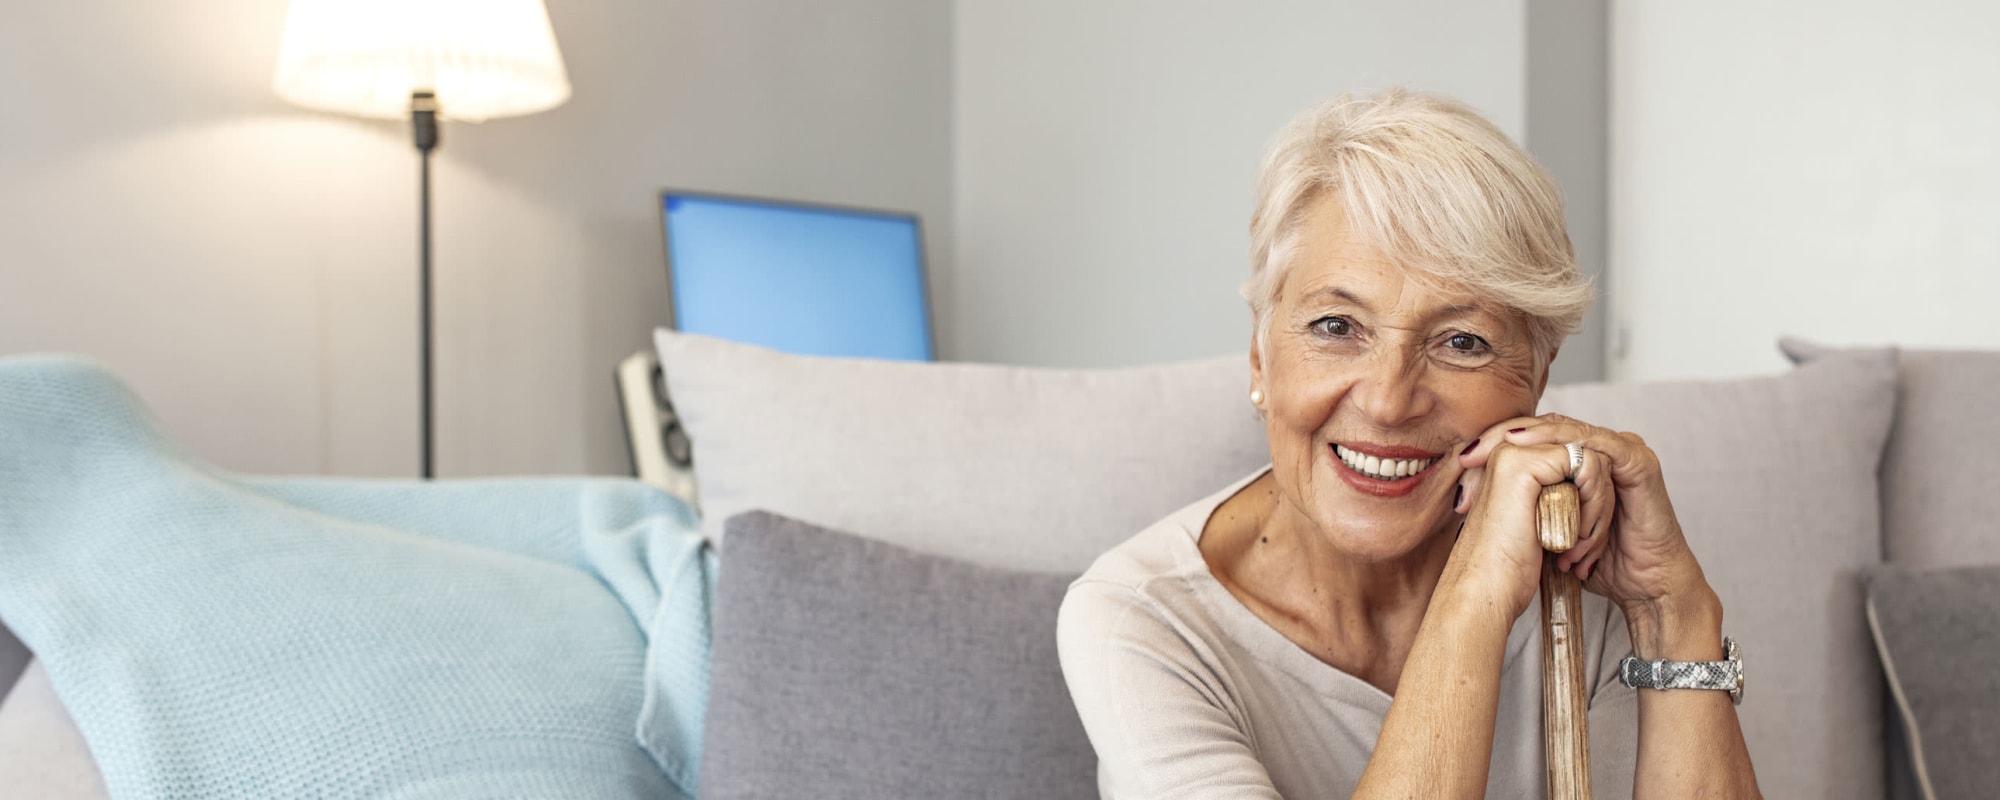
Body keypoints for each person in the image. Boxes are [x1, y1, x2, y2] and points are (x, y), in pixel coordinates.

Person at [1055, 89, 1761, 799]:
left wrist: (1674, 611)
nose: (1389, 401)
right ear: (1259, 359)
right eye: (1336, 326)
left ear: (1537, 378)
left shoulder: (1587, 558)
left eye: (1462, 342)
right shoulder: (1142, 620)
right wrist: (1475, 597)